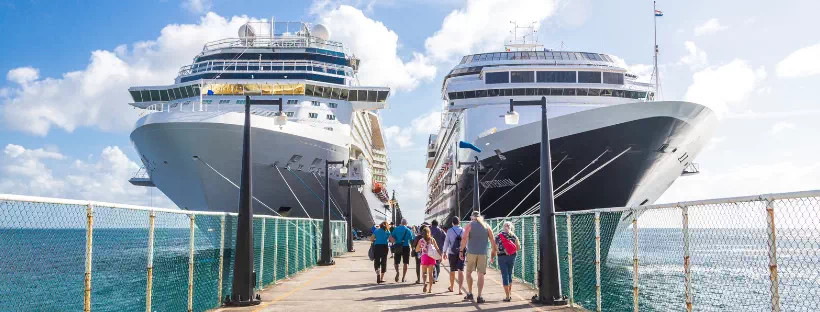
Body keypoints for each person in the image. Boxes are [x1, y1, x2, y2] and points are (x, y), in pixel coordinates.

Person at [460, 211, 497, 304]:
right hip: (483, 253)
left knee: (468, 273)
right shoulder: (486, 226)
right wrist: (493, 254)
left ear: (472, 217)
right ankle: (479, 296)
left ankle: (470, 293)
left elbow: (464, 239)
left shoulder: (469, 225)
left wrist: (461, 250)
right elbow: (493, 241)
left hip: (471, 252)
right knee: (481, 274)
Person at [496, 221, 521, 302]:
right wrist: (510, 251)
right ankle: (509, 293)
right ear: (511, 227)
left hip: (502, 257)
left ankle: (507, 296)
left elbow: (495, 247)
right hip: (512, 257)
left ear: (503, 227)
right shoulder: (514, 236)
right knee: (510, 274)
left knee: (504, 275)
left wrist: (501, 251)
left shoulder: (499, 236)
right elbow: (518, 247)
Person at [415, 226, 442, 294]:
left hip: (424, 257)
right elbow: (437, 248)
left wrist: (421, 248)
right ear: (429, 232)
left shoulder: (420, 240)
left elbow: (416, 250)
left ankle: (424, 284)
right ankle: (430, 289)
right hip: (431, 257)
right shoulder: (432, 239)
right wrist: (440, 256)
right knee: (430, 274)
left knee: (424, 272)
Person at [442, 216, 465, 294]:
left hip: (452, 252)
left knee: (452, 270)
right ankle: (460, 289)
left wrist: (444, 252)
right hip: (461, 252)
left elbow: (446, 242)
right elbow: (466, 242)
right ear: (459, 222)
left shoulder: (449, 231)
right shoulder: (463, 230)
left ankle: (451, 287)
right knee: (460, 270)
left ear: (452, 223)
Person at [390, 218, 414, 283]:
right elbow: (411, 240)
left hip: (397, 246)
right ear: (406, 223)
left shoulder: (396, 229)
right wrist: (413, 249)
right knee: (405, 263)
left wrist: (395, 241)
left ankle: (397, 272)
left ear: (401, 222)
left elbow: (391, 237)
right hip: (406, 247)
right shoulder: (408, 230)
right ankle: (403, 278)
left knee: (396, 262)